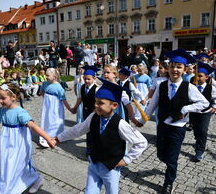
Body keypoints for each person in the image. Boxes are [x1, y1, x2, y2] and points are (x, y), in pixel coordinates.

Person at [53, 77, 148, 194]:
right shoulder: (93, 117)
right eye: (95, 101)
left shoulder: (121, 124)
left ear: (114, 105)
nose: (96, 105)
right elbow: (78, 129)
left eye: (100, 103)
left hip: (111, 168)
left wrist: (126, 160)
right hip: (94, 164)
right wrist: (59, 138)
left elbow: (141, 142)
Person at [138, 49, 209, 194]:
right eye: (172, 66)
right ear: (168, 67)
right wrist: (143, 119)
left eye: (179, 67)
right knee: (161, 154)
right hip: (163, 125)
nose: (174, 69)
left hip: (178, 128)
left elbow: (204, 103)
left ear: (184, 70)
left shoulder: (189, 87)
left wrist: (186, 109)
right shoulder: (162, 85)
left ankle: (168, 182)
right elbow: (152, 104)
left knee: (172, 158)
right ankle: (166, 163)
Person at [0, 84, 55, 194]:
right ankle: (27, 180)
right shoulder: (2, 110)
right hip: (6, 142)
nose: (0, 101)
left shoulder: (20, 112)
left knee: (16, 164)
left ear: (13, 97)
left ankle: (18, 186)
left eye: (3, 98)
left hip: (19, 143)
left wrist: (48, 138)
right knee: (7, 164)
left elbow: (32, 126)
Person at [189, 61, 216, 162]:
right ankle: (197, 141)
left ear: (206, 77)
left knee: (203, 130)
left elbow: (215, 99)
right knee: (196, 129)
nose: (198, 78)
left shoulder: (211, 88)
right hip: (193, 112)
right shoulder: (192, 87)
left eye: (200, 76)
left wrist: (214, 106)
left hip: (205, 112)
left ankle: (199, 150)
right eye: (196, 76)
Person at [39, 68, 73, 148]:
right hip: (47, 106)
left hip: (55, 107)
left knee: (55, 120)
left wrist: (70, 109)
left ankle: (55, 135)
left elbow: (63, 99)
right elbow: (42, 92)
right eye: (45, 75)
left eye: (48, 75)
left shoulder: (58, 87)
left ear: (54, 77)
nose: (46, 77)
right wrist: (46, 100)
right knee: (47, 119)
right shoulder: (45, 84)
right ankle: (46, 134)